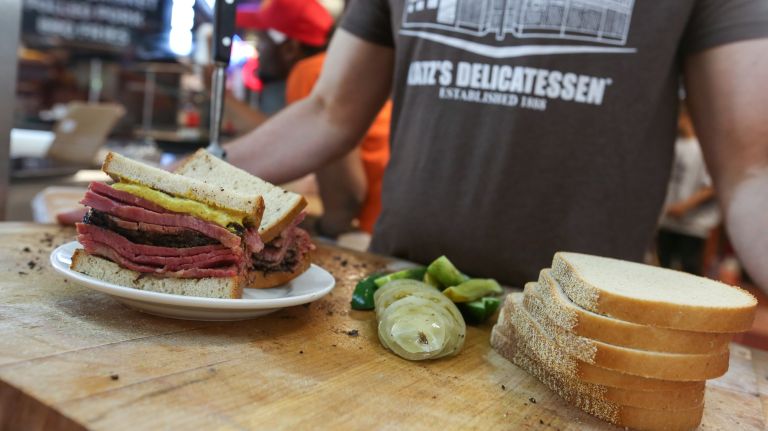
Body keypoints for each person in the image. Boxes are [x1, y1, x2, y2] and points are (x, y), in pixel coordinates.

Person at [225, 0, 768, 291]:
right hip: (397, 287)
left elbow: (752, 171)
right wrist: (183, 185)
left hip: (580, 321)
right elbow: (328, 111)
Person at [236, 0, 392, 238]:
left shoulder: (310, 73)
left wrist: (320, 231)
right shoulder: (328, 69)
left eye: (262, 41)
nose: (258, 51)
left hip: (367, 231)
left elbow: (347, 199)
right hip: (379, 221)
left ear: (289, 48)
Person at [657, 105, 719, 275]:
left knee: (689, 268)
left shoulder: (705, 148)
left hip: (693, 224)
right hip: (667, 220)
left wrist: (684, 206)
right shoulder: (674, 145)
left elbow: (711, 186)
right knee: (663, 267)